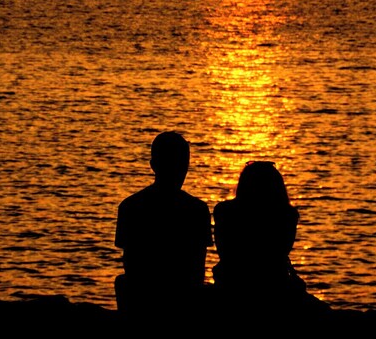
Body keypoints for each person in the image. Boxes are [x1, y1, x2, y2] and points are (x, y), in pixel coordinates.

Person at [212, 160, 330, 319]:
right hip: (275, 285)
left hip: (231, 283)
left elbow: (224, 252)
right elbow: (281, 254)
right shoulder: (288, 215)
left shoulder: (224, 211)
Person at [114, 131, 213, 318]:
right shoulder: (197, 209)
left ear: (153, 165)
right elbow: (197, 267)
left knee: (123, 281)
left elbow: (131, 262)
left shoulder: (130, 206)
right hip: (182, 302)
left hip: (141, 300)